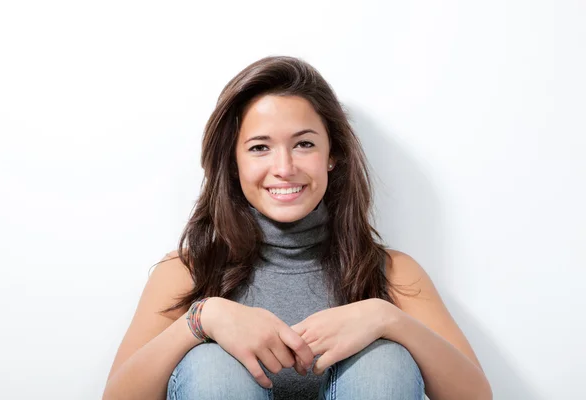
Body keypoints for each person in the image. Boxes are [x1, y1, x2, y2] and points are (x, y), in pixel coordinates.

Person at [102, 56, 492, 400]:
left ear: (332, 154)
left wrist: (387, 318)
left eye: (304, 144)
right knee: (210, 364)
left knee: (384, 360)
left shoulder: (392, 272)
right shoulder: (187, 271)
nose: (284, 167)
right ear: (233, 162)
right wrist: (201, 321)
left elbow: (476, 396)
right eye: (259, 147)